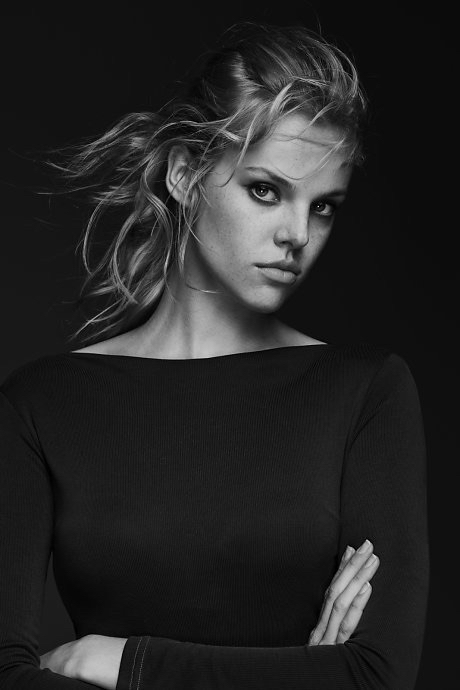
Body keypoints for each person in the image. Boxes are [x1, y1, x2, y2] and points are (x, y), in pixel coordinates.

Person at [0, 21, 429, 690]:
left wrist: (126, 663)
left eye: (324, 207)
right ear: (184, 174)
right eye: (266, 190)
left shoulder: (364, 391)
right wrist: (298, 676)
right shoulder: (41, 405)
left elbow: (375, 675)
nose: (298, 234)